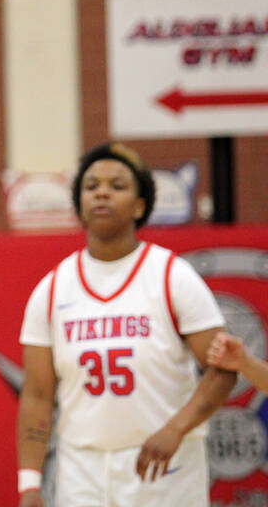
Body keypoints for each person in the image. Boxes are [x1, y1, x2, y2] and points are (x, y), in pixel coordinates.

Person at [16, 141, 235, 507]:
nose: (102, 192)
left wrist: (176, 429)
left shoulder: (172, 275)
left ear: (139, 206)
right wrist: (29, 482)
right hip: (81, 465)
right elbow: (37, 395)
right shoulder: (52, 288)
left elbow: (224, 369)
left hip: (164, 461)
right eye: (91, 186)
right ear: (80, 205)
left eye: (117, 185)